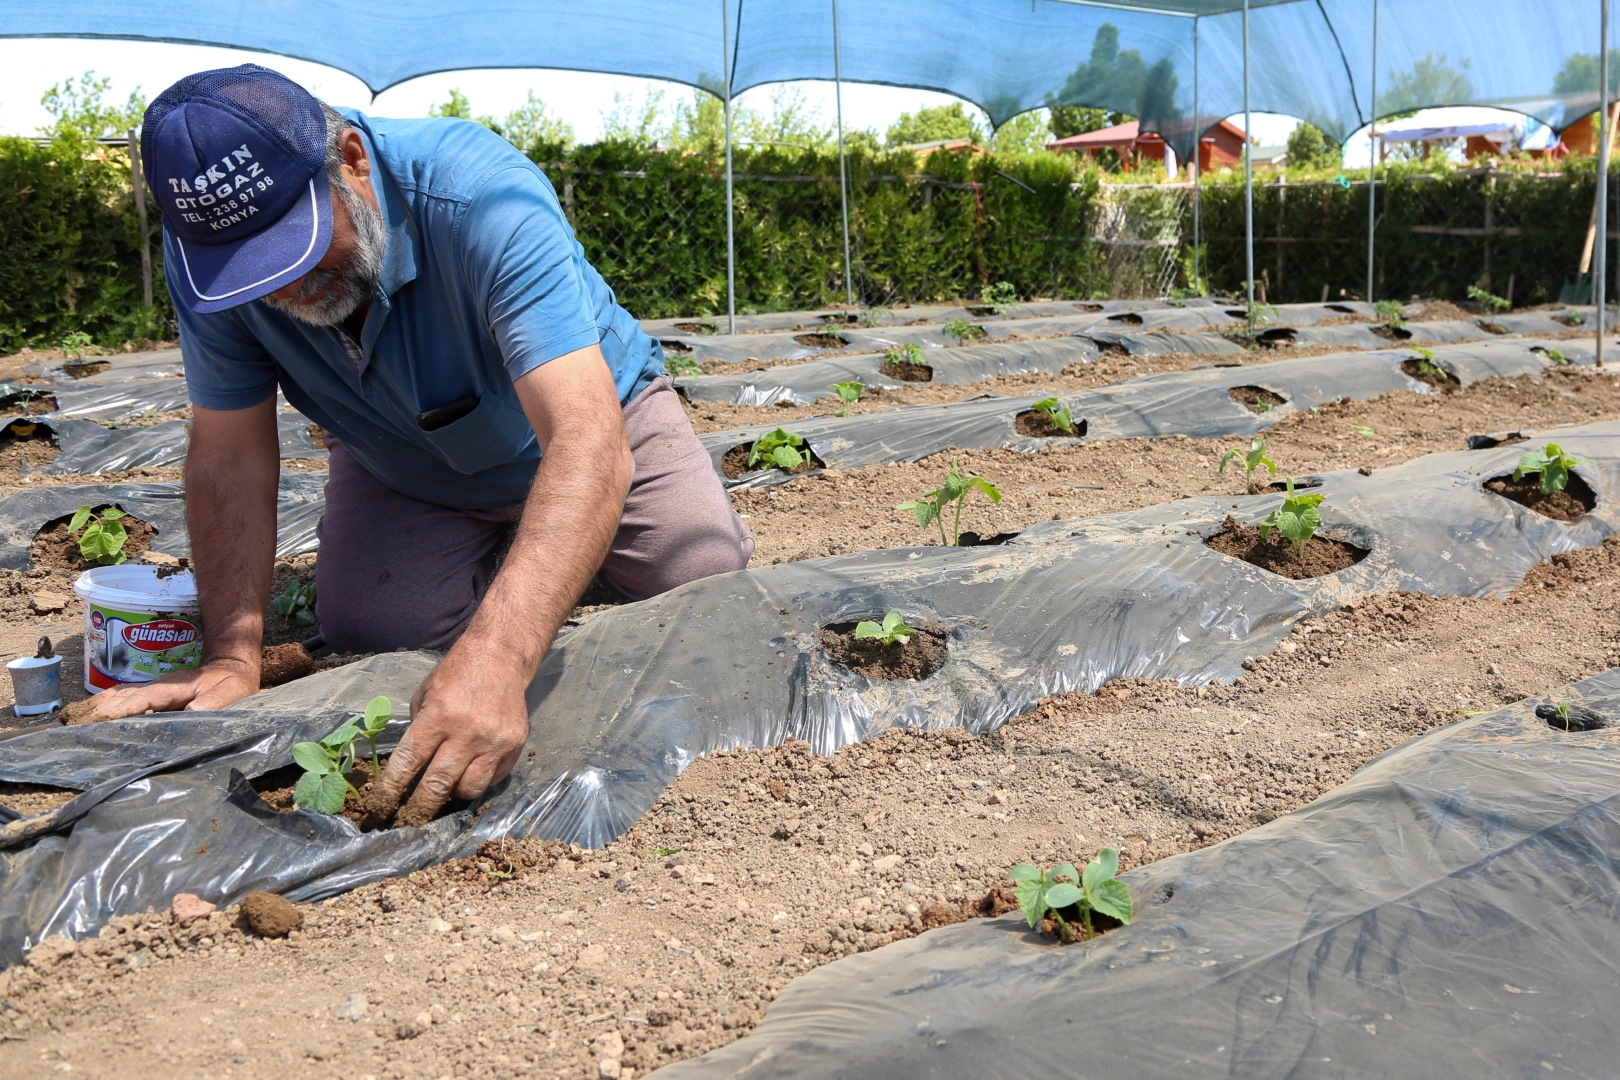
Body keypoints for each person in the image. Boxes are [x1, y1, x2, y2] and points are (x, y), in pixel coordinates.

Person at [89, 65, 753, 822]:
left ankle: (553, 556)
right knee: (373, 630)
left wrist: (500, 658)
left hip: (591, 426)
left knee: (700, 575)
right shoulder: (207, 266)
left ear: (351, 158)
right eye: (250, 270)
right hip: (402, 460)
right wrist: (232, 658)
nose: (282, 284)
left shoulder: (480, 196)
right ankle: (529, 559)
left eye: (292, 243)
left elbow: (584, 435)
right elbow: (228, 454)